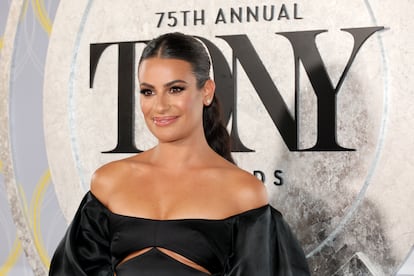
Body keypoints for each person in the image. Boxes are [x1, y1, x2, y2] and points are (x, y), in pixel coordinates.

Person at [49, 32, 310, 276]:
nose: (160, 106)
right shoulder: (108, 183)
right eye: (148, 91)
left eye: (175, 89)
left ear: (206, 91)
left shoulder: (243, 193)